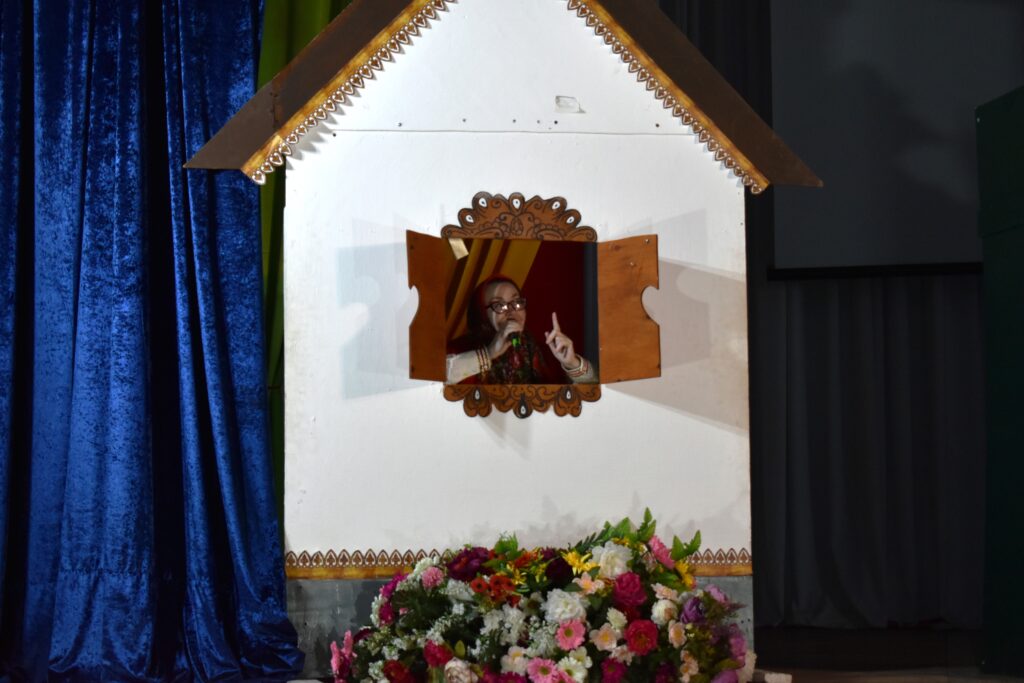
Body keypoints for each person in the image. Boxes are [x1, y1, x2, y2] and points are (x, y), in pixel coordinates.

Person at [446, 276, 597, 385]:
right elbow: (438, 381)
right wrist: (489, 353)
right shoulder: (457, 351)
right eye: (498, 305)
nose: (511, 311)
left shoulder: (540, 352)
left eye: (517, 302)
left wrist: (572, 363)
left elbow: (591, 391)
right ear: (481, 314)